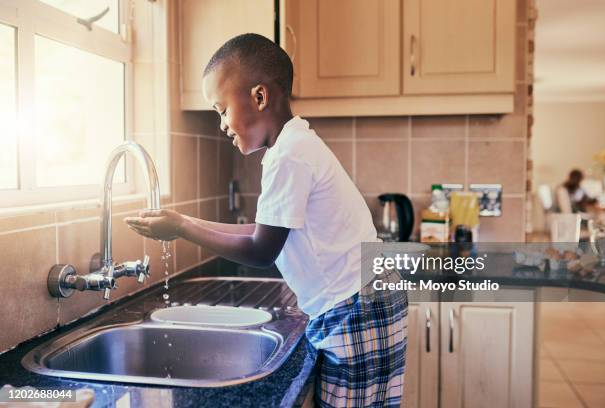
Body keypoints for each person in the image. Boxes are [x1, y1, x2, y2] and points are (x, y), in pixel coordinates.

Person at [125, 33, 408, 407]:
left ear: (259, 97)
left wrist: (182, 228)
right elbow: (264, 231)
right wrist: (184, 220)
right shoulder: (292, 145)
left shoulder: (288, 155)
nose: (222, 124)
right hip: (363, 299)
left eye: (222, 109)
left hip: (355, 307)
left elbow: (261, 249)